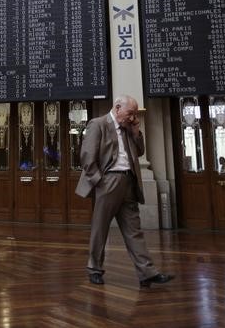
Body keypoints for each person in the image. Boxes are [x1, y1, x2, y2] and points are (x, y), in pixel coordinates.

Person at [75, 95, 174, 288]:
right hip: (109, 181)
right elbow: (87, 156)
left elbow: (139, 152)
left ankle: (147, 272)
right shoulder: (98, 124)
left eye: (134, 114)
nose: (132, 117)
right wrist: (100, 182)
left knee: (134, 230)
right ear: (117, 107)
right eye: (130, 113)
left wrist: (136, 130)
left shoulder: (129, 127)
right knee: (100, 228)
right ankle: (94, 269)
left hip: (129, 181)